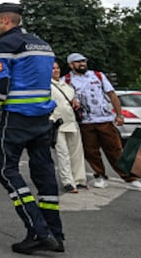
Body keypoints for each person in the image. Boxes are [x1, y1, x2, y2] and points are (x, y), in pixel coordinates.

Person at [0, 2, 63, 254]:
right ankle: (56, 235)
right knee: (45, 176)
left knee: (6, 171)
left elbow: (0, 84)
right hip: (42, 118)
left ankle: (39, 231)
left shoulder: (6, 45)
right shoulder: (42, 44)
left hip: (16, 118)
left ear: (6, 20)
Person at [64, 53, 141, 190]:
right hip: (85, 122)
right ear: (71, 65)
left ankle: (129, 178)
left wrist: (119, 115)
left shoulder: (97, 76)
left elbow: (111, 94)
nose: (82, 64)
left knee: (115, 149)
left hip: (105, 120)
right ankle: (100, 176)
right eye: (78, 62)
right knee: (91, 151)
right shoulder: (66, 80)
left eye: (83, 61)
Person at [49, 60, 87, 193]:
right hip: (57, 124)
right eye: (53, 68)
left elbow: (72, 100)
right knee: (62, 153)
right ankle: (68, 182)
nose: (56, 70)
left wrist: (75, 101)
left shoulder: (66, 85)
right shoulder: (45, 86)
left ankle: (79, 179)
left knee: (76, 153)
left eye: (57, 68)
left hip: (71, 122)